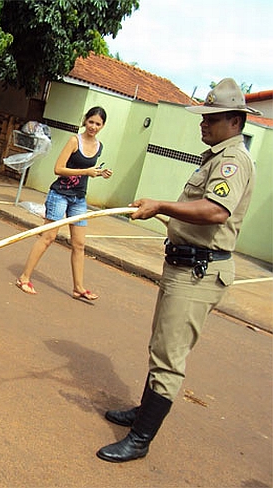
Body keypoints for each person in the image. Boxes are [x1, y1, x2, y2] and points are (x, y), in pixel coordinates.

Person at [96, 78, 260, 463]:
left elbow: (216, 211)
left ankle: (141, 438)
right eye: (203, 117)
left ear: (235, 121)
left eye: (212, 118)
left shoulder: (233, 161)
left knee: (170, 356)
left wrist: (161, 206)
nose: (203, 124)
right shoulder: (218, 156)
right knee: (160, 346)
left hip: (199, 273)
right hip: (184, 265)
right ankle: (143, 413)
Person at [15, 106, 113, 298]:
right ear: (85, 121)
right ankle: (24, 278)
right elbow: (58, 169)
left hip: (79, 199)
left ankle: (78, 287)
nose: (93, 127)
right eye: (91, 122)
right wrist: (87, 171)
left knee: (79, 244)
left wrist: (100, 173)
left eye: (98, 124)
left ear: (103, 126)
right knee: (48, 237)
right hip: (59, 194)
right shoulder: (74, 141)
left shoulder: (99, 147)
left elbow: (88, 170)